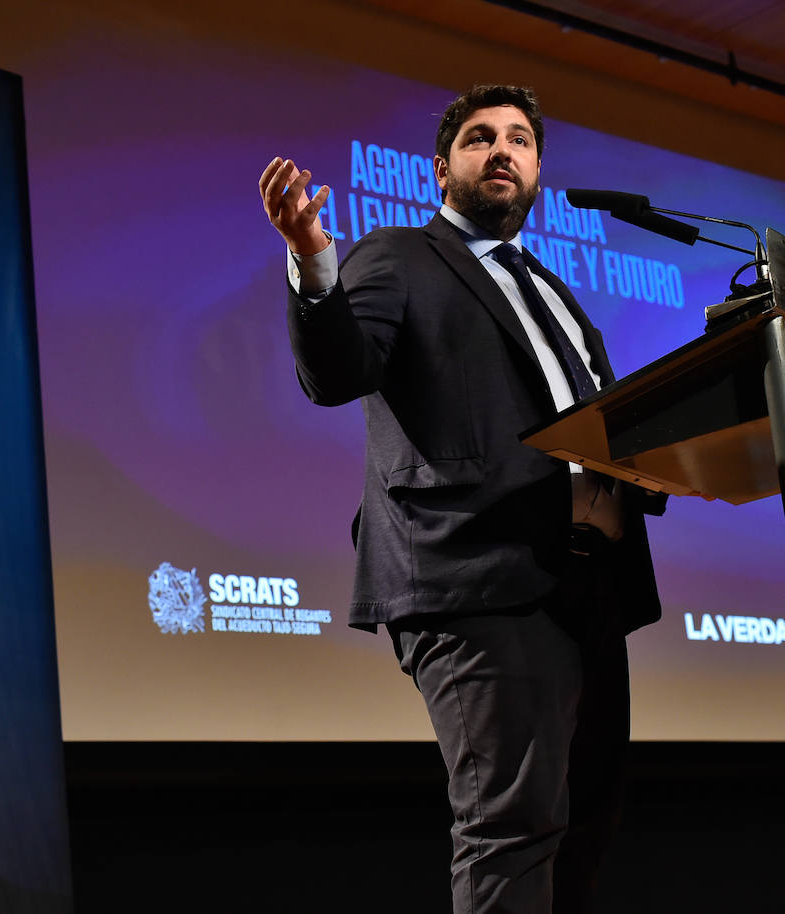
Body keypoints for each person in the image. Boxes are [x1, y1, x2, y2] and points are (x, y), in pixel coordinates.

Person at [258, 85, 667, 914]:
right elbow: (336, 373)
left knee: (582, 831)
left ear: (539, 168)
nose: (503, 151)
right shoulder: (402, 255)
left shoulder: (555, 293)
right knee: (512, 829)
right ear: (443, 168)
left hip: (589, 583)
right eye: (481, 139)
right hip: (475, 577)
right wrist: (310, 261)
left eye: (519, 140)